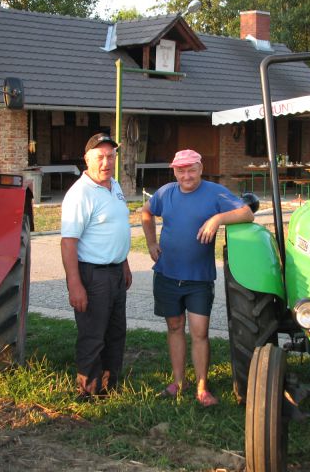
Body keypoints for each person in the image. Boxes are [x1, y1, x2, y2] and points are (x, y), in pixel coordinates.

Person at [141, 149, 254, 407]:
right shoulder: (166, 192)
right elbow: (146, 212)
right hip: (167, 273)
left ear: (200, 169)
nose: (186, 175)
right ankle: (179, 381)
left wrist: (218, 218)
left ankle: (202, 386)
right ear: (175, 172)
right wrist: (150, 243)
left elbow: (247, 213)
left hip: (198, 279)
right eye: (181, 170)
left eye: (191, 169)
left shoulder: (215, 193)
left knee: (200, 332)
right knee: (174, 327)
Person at [61, 133, 132, 399]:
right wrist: (75, 284)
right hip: (92, 275)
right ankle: (87, 391)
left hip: (115, 272)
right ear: (87, 159)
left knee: (116, 332)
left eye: (111, 156)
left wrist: (123, 262)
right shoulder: (79, 194)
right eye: (100, 157)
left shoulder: (114, 185)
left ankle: (109, 386)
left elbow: (117, 228)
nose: (106, 162)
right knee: (93, 334)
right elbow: (68, 243)